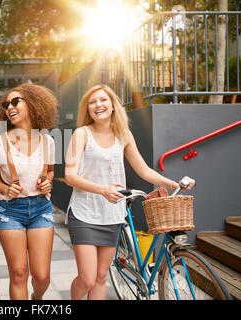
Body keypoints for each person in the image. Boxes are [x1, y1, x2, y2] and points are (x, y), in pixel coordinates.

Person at [64, 84, 195, 300]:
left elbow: (143, 170)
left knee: (100, 277)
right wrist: (102, 190)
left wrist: (172, 183)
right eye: (92, 102)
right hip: (84, 212)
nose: (98, 105)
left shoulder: (123, 135)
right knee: (87, 278)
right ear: (87, 109)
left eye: (103, 100)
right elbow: (70, 176)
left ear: (113, 105)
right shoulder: (81, 134)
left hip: (112, 214)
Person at [0, 83, 58, 300]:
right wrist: (6, 188)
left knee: (42, 276)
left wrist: (47, 182)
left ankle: (36, 299)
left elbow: (50, 172)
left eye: (16, 101)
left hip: (40, 207)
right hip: (9, 211)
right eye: (6, 104)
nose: (10, 107)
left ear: (33, 105)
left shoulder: (48, 141)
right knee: (18, 273)